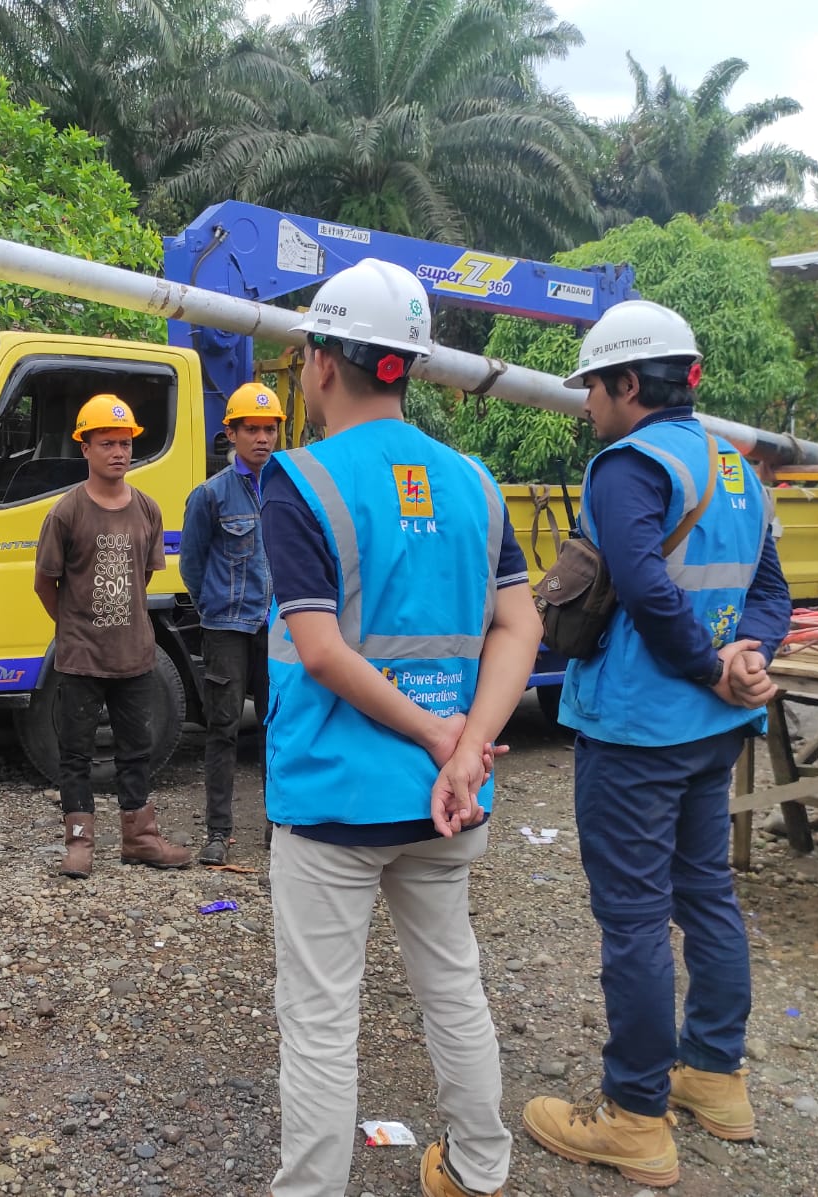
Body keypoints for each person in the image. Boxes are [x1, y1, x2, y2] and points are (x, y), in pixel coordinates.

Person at [261, 259, 543, 1197]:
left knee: (320, 1018)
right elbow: (521, 625)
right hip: (452, 802)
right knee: (452, 984)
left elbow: (323, 650)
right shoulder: (474, 482)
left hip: (338, 794)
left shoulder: (298, 479)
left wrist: (436, 738)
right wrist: (466, 749)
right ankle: (478, 1168)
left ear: (323, 365)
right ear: (407, 367)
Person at [522, 300, 792, 1189]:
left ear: (630, 383)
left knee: (635, 917)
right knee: (705, 891)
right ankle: (715, 1076)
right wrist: (747, 654)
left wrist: (715, 665)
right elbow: (772, 591)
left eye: (594, 387)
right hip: (713, 733)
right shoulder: (737, 466)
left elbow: (641, 586)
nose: (588, 405)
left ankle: (635, 1114)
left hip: (639, 728)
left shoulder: (627, 465)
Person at [33, 394, 191, 877]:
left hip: (136, 656)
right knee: (76, 751)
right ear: (85, 447)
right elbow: (45, 583)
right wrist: (76, 628)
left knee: (136, 749)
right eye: (107, 443)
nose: (118, 452)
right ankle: (79, 844)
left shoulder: (146, 508)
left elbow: (141, 579)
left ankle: (140, 838)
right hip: (81, 657)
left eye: (124, 443)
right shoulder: (66, 512)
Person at [178, 382, 282, 865]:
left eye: (269, 429)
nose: (262, 438)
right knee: (222, 728)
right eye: (252, 429)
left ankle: (277, 823)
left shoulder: (288, 489)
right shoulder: (210, 495)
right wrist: (214, 610)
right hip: (226, 627)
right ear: (232, 433)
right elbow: (192, 566)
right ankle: (218, 832)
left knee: (276, 725)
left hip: (277, 627)